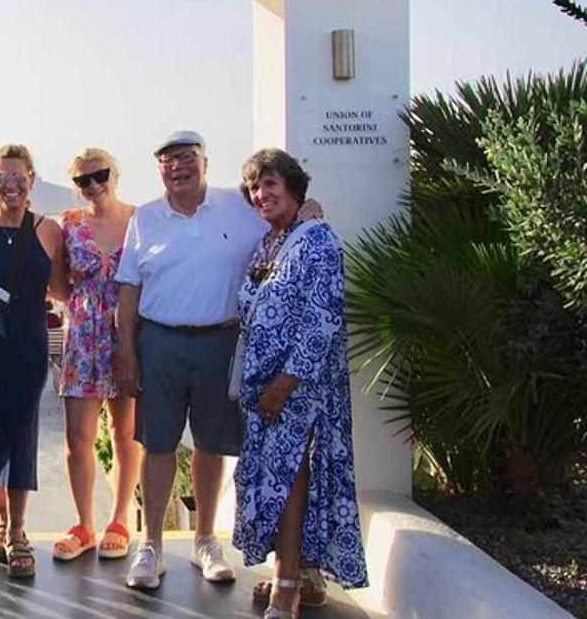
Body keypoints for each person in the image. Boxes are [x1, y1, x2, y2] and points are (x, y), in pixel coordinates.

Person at [115, 129, 270, 590]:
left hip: (219, 341)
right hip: (159, 342)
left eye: (187, 157)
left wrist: (309, 208)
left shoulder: (238, 206)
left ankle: (205, 540)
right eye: (168, 160)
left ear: (205, 161)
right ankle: (151, 545)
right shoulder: (145, 218)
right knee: (158, 443)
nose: (178, 167)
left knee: (210, 443)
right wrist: (127, 351)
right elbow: (129, 289)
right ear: (159, 168)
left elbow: (280, 217)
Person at [233, 148, 367, 619]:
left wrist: (283, 385)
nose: (261, 194)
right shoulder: (268, 243)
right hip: (265, 392)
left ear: (293, 188)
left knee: (290, 480)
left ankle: (287, 587)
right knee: (277, 481)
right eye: (254, 187)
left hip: (299, 391)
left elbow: (321, 322)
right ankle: (299, 575)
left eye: (270, 184)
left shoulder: (318, 242)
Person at [0, 144, 64, 579]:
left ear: (32, 181)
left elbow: (61, 288)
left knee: (21, 431)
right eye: (3, 178)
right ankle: (2, 518)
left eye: (19, 177)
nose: (11, 185)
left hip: (27, 342)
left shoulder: (48, 230)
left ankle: (17, 529)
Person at [48, 148, 142, 562]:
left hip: (127, 335)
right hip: (84, 336)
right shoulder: (67, 224)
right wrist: (87, 307)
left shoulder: (140, 219)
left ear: (114, 174)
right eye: (83, 179)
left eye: (100, 174)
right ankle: (84, 523)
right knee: (78, 437)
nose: (93, 184)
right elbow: (57, 285)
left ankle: (119, 521)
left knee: (126, 433)